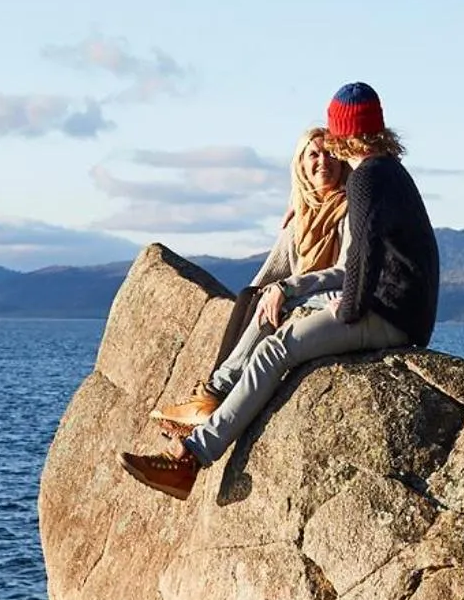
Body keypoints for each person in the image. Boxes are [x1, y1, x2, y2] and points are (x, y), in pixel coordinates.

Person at [120, 82, 439, 498]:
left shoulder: (366, 179)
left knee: (277, 349)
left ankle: (191, 458)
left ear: (342, 132)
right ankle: (201, 427)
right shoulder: (390, 172)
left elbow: (362, 256)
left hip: (388, 317)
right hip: (403, 312)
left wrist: (347, 312)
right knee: (281, 325)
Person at [148, 126, 347, 435]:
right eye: (314, 154)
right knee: (250, 296)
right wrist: (257, 297)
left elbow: (346, 270)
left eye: (331, 153)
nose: (324, 161)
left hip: (331, 295)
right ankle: (209, 397)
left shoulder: (349, 207)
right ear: (300, 165)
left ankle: (213, 394)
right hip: (305, 287)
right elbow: (274, 269)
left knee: (271, 303)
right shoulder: (301, 216)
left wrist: (278, 293)